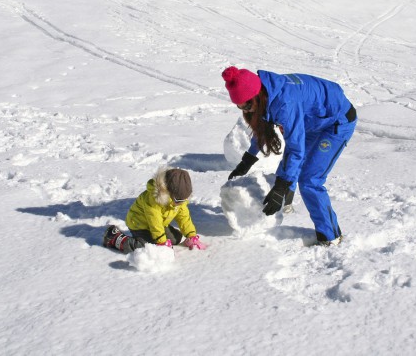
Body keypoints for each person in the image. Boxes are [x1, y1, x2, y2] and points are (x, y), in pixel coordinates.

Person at [222, 66, 357, 246]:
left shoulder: (285, 103)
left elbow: (296, 150)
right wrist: (248, 159)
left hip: (336, 122)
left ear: (256, 94)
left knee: (310, 179)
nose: (245, 110)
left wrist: (280, 186)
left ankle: (331, 236)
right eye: (240, 106)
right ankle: (284, 205)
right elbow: (262, 127)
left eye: (246, 105)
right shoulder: (266, 92)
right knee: (290, 167)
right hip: (312, 120)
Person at [103, 167, 207, 253]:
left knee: (176, 238)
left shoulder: (179, 200)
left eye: (184, 200)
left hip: (159, 224)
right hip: (139, 224)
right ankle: (115, 238)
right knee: (149, 248)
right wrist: (161, 242)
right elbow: (154, 221)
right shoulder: (154, 199)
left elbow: (184, 217)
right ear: (169, 191)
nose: (181, 203)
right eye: (179, 200)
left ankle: (158, 239)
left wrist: (191, 235)